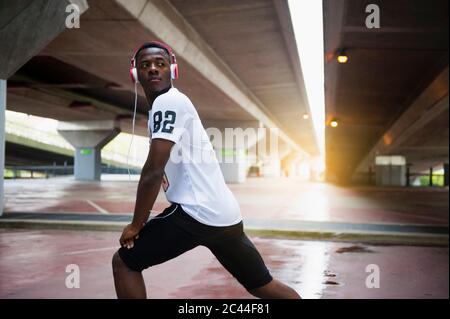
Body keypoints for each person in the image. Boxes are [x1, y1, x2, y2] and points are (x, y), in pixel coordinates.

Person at [112, 41, 301, 299]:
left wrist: (136, 224)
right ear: (136, 74)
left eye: (160, 64)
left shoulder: (168, 102)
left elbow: (153, 170)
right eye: (145, 65)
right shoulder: (170, 104)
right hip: (225, 215)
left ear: (172, 71)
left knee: (124, 262)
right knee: (261, 285)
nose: (153, 69)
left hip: (195, 213)